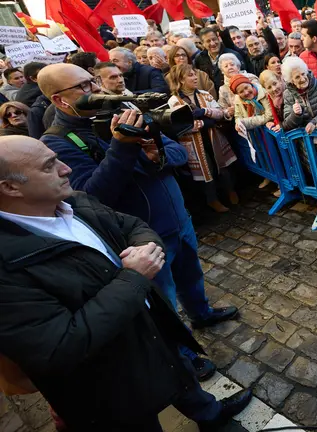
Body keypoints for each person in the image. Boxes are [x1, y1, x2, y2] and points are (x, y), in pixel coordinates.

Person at [0, 135, 252, 431]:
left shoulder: (74, 202)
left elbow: (133, 225)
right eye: (49, 166)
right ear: (10, 187)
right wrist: (134, 278)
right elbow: (58, 348)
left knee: (181, 375)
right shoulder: (7, 264)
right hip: (108, 381)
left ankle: (213, 417)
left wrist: (144, 247)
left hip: (150, 328)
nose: (66, 169)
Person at [37, 63, 237, 382]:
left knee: (190, 271)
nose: (95, 89)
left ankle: (201, 312)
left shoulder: (125, 108)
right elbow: (91, 197)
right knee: (161, 300)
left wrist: (155, 154)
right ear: (60, 100)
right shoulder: (59, 142)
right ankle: (182, 354)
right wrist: (123, 148)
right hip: (140, 237)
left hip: (176, 216)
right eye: (83, 87)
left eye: (92, 81)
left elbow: (175, 152)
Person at [168, 64, 239, 213]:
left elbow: (220, 112)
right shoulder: (175, 101)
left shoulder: (204, 94)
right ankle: (212, 199)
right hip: (194, 143)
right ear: (180, 80)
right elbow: (183, 126)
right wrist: (207, 122)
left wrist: (205, 111)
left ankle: (230, 190)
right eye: (190, 75)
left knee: (223, 165)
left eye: (194, 74)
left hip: (213, 137)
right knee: (206, 170)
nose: (195, 78)